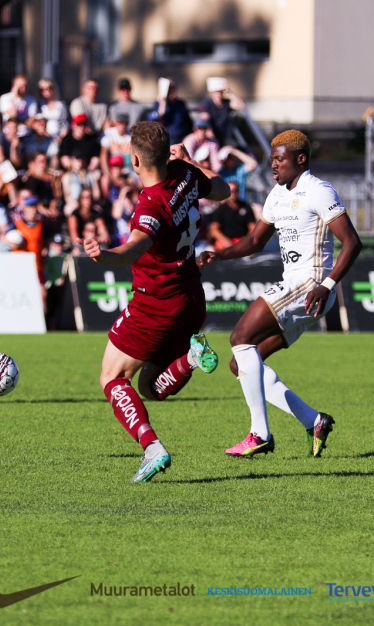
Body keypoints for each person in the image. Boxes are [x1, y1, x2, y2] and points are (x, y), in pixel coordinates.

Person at [77, 121, 231, 482]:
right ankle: (190, 358)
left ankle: (152, 448)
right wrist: (190, 162)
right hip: (191, 298)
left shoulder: (151, 203)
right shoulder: (185, 174)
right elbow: (223, 190)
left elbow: (136, 247)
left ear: (134, 160)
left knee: (112, 377)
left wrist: (104, 255)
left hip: (156, 304)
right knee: (149, 387)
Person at [198, 129, 362, 458]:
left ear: (300, 159)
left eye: (280, 159)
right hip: (300, 286)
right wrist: (220, 255)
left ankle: (259, 434)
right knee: (241, 364)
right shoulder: (277, 194)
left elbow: (352, 242)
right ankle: (313, 420)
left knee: (240, 336)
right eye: (272, 159)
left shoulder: (318, 190)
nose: (273, 165)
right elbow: (255, 241)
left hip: (312, 284)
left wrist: (327, 285)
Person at [200, 77, 246, 145]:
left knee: (236, 147)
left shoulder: (225, 103)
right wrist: (213, 139)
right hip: (211, 138)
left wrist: (229, 92)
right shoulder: (206, 103)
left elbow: (241, 105)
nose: (219, 93)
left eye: (221, 91)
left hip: (224, 136)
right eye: (216, 91)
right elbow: (205, 121)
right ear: (211, 92)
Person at [209, 181, 255, 250]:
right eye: (231, 191)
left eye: (236, 190)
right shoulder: (221, 209)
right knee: (219, 245)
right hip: (226, 241)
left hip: (242, 240)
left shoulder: (246, 207)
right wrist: (225, 240)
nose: (233, 193)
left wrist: (246, 239)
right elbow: (214, 229)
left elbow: (253, 227)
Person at [154, 80, 193, 144]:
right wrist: (162, 104)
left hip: (181, 138)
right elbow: (156, 120)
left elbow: (188, 121)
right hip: (166, 138)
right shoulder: (159, 104)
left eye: (173, 88)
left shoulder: (180, 104)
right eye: (169, 88)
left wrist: (188, 135)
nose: (172, 91)